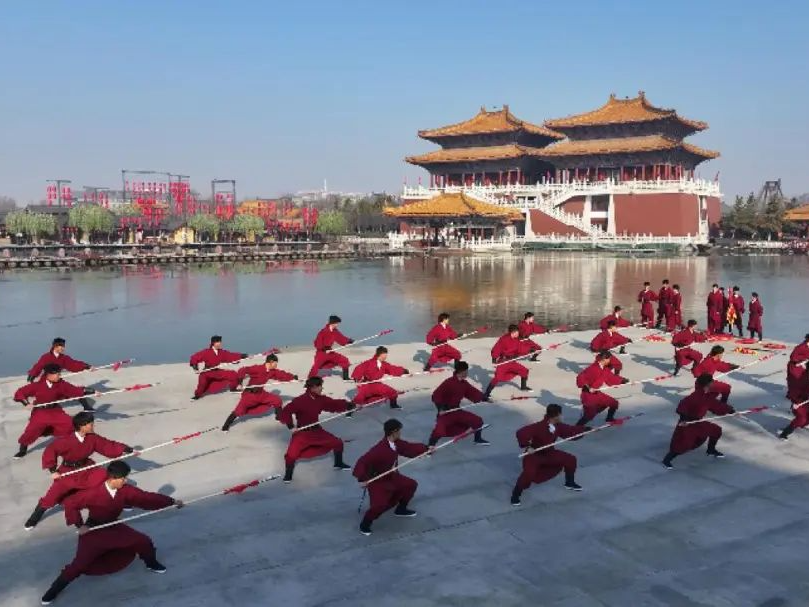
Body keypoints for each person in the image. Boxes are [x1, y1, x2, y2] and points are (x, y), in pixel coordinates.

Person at [39, 461, 183, 605]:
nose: (125, 481)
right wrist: (79, 525)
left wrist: (171, 501)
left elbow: (146, 498)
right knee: (78, 565)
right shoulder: (93, 493)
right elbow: (71, 504)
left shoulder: (126, 490)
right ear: (112, 478)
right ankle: (53, 591)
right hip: (93, 530)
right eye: (123, 478)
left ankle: (151, 563)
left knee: (143, 541)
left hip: (114, 526)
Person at [24, 412, 132, 530]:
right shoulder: (65, 440)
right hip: (68, 471)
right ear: (82, 426)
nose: (93, 426)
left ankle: (120, 501)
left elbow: (107, 445)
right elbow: (50, 450)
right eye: (90, 424)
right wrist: (53, 470)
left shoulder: (92, 437)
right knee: (53, 495)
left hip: (87, 468)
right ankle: (36, 516)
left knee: (108, 477)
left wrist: (125, 449)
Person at [353, 419, 431, 536]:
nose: (400, 433)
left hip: (391, 476)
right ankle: (365, 524)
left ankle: (401, 509)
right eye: (399, 431)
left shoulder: (396, 443)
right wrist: (362, 479)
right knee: (379, 505)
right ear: (394, 432)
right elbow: (362, 461)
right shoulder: (379, 449)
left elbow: (409, 447)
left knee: (410, 485)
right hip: (378, 480)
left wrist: (426, 449)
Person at [277, 377, 355, 482]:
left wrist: (348, 405)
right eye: (319, 386)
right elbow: (286, 411)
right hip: (302, 433)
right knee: (291, 455)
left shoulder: (320, 399)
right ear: (312, 387)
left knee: (337, 443)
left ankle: (338, 463)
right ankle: (288, 475)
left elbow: (333, 403)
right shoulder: (300, 400)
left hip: (317, 431)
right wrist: (291, 426)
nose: (321, 388)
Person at [12, 364, 96, 459]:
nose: (59, 376)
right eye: (57, 374)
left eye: (59, 374)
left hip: (55, 411)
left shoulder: (61, 384)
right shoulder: (38, 385)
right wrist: (26, 403)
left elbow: (74, 390)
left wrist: (91, 391)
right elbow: (20, 392)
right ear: (48, 375)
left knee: (71, 424)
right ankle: (22, 450)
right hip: (40, 412)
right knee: (31, 430)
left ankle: (77, 443)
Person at [511, 404, 588, 504]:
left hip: (549, 452)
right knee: (528, 474)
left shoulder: (558, 426)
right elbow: (521, 432)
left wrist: (586, 429)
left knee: (570, 459)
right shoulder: (538, 426)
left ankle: (569, 483)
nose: (562, 416)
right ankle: (516, 494)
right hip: (534, 454)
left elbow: (571, 431)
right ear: (556, 416)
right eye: (560, 414)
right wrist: (528, 446)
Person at [662, 374, 734, 468]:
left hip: (698, 422)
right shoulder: (696, 395)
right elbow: (683, 404)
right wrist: (683, 418)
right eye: (711, 382)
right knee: (683, 444)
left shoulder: (706, 395)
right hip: (688, 423)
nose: (713, 383)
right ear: (707, 384)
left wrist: (729, 409)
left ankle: (710, 450)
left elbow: (714, 404)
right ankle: (666, 460)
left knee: (716, 430)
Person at [222, 354, 298, 432]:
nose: (276, 365)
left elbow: (281, 374)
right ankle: (225, 426)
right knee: (239, 410)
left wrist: (292, 377)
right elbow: (243, 370)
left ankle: (279, 417)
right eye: (275, 363)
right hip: (250, 395)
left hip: (261, 394)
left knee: (277, 400)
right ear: (271, 362)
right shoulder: (257, 368)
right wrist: (240, 381)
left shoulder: (272, 371)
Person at [428, 361, 490, 446]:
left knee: (477, 421)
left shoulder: (464, 384)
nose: (466, 373)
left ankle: (477, 439)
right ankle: (430, 446)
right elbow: (436, 395)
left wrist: (484, 398)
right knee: (440, 429)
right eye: (465, 371)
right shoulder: (448, 382)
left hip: (457, 410)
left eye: (466, 371)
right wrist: (441, 408)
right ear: (460, 372)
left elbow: (472, 392)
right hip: (446, 412)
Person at [575, 351, 628, 425]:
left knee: (613, 403)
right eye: (609, 359)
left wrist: (623, 381)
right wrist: (588, 387)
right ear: (604, 359)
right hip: (588, 394)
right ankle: (577, 427)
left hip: (597, 393)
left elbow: (611, 378)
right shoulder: (592, 368)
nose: (610, 361)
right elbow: (580, 377)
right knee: (589, 415)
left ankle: (609, 419)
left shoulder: (605, 369)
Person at [189, 335, 246, 401]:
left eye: (220, 342)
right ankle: (197, 395)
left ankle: (233, 389)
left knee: (233, 374)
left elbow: (230, 355)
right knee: (202, 384)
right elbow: (194, 357)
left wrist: (242, 356)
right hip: (207, 372)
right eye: (218, 342)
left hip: (216, 371)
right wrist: (195, 367)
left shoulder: (221, 352)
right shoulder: (206, 352)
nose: (220, 343)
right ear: (213, 343)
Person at [484, 324, 532, 398]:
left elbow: (521, 348)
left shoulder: (516, 340)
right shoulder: (503, 339)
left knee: (524, 370)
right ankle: (487, 393)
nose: (518, 333)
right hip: (503, 361)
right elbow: (497, 348)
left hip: (511, 361)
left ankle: (523, 387)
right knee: (497, 378)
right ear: (513, 332)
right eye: (517, 332)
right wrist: (494, 359)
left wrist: (530, 350)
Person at [308, 315, 354, 379]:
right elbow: (317, 342)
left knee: (344, 360)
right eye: (337, 323)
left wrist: (349, 341)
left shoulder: (335, 331)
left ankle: (346, 377)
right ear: (333, 323)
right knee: (316, 366)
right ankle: (310, 378)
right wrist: (323, 348)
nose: (337, 325)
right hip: (322, 353)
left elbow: (341, 338)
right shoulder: (323, 331)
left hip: (330, 352)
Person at [786, 334, 809, 408]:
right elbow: (792, 356)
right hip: (795, 366)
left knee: (805, 381)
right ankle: (794, 398)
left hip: (804, 366)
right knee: (796, 382)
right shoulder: (801, 347)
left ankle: (802, 396)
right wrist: (802, 360)